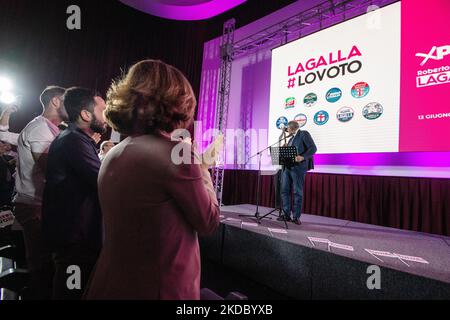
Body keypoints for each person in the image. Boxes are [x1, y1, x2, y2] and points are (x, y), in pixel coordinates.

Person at [85, 59, 220, 300]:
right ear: (178, 102)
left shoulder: (114, 152)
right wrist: (204, 167)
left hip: (111, 281)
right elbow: (208, 221)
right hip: (160, 287)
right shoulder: (177, 154)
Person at [42, 87, 107, 300]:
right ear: (86, 114)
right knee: (71, 294)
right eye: (102, 110)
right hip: (74, 241)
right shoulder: (73, 141)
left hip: (76, 238)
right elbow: (102, 181)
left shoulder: (75, 139)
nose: (107, 116)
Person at [13, 85, 67, 299]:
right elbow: (52, 169)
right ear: (55, 101)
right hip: (34, 205)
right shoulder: (39, 128)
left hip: (40, 204)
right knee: (42, 264)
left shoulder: (50, 128)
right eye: (66, 100)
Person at [278, 121, 317, 225]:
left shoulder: (303, 134)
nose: (287, 131)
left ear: (291, 128)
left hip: (298, 168)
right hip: (287, 167)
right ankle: (286, 215)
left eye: (288, 129)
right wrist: (284, 148)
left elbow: (313, 148)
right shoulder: (290, 138)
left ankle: (296, 217)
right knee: (284, 191)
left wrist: (303, 157)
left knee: (297, 192)